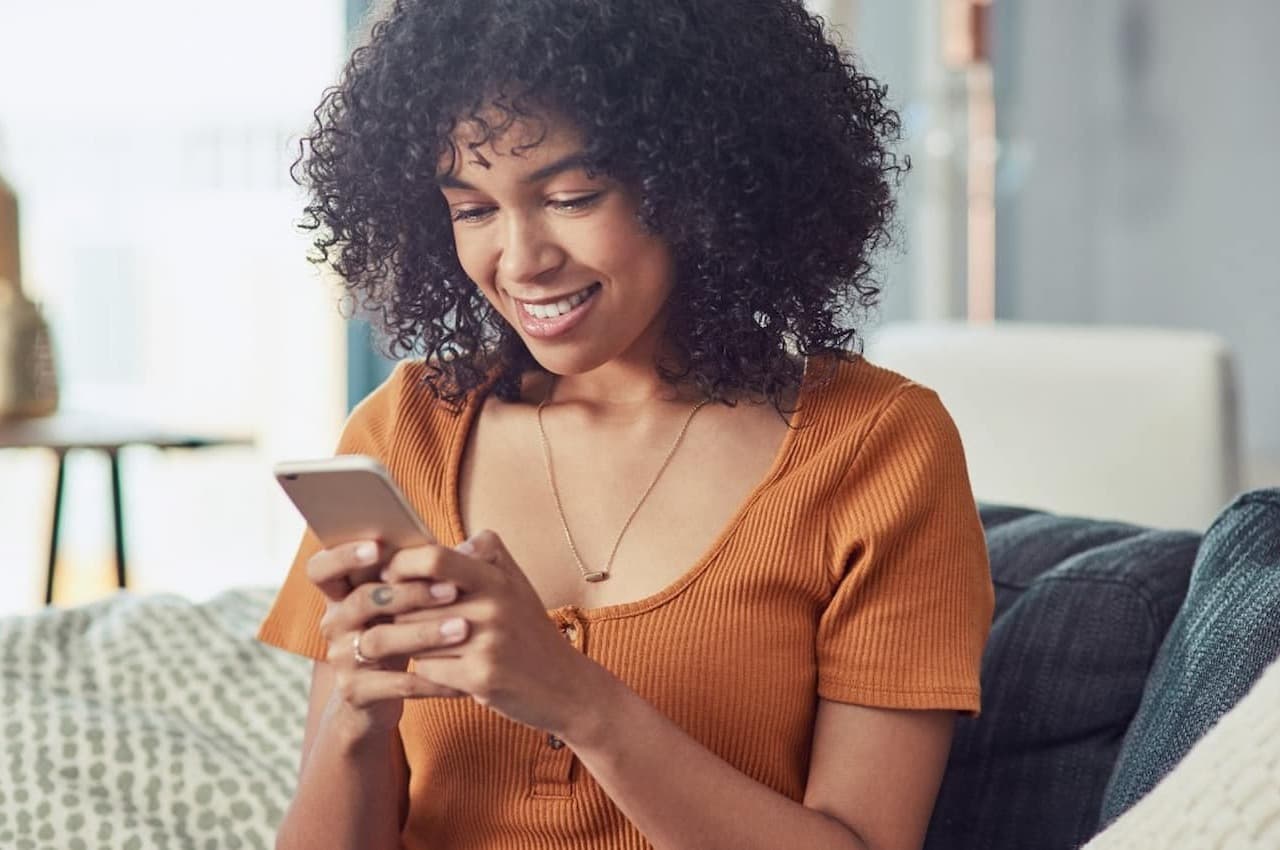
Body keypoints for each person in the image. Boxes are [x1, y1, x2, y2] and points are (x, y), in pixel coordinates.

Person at [258, 1, 994, 848]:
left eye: (572, 197)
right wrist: (355, 712)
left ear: (703, 177)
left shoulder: (876, 448)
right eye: (472, 210)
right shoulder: (408, 430)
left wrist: (578, 701)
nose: (521, 259)